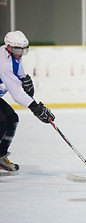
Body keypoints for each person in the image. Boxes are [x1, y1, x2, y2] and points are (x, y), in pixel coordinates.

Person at [0, 30, 55, 172]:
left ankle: (0, 156)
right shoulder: (4, 64)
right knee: (3, 122)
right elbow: (16, 93)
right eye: (16, 49)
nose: (20, 53)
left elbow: (19, 75)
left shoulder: (14, 56)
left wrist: (25, 80)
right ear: (8, 47)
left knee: (11, 119)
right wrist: (36, 108)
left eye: (22, 50)